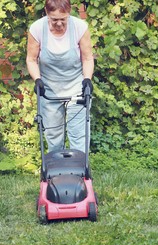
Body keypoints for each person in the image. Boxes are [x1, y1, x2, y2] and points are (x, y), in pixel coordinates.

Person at [26, 0, 94, 153]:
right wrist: (37, 80)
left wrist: (87, 80)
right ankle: (55, 172)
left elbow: (88, 58)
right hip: (49, 89)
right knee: (53, 135)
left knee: (78, 134)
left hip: (76, 88)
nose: (58, 23)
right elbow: (31, 59)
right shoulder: (37, 29)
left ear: (69, 13)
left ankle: (80, 171)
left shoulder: (79, 27)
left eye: (63, 19)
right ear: (46, 12)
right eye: (54, 19)